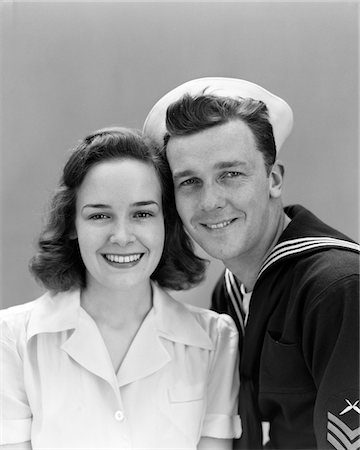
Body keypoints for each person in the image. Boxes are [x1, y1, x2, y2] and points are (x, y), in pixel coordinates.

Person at [142, 77, 360, 449]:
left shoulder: (337, 287)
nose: (210, 201)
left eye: (231, 174)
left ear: (273, 179)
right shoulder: (228, 294)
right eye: (190, 181)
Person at [0, 127, 241, 449]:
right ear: (72, 224)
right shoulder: (12, 340)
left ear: (166, 223)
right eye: (100, 215)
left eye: (142, 213)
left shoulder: (215, 341)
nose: (122, 236)